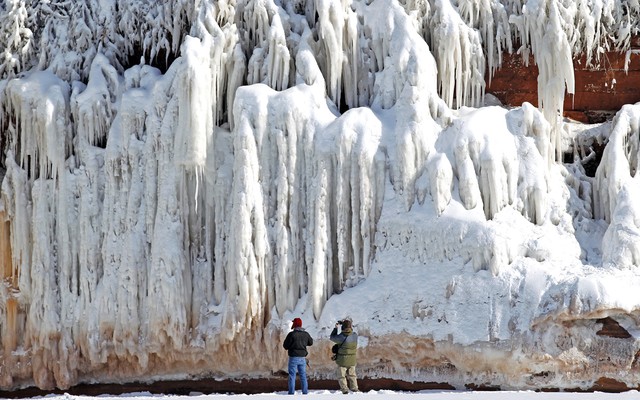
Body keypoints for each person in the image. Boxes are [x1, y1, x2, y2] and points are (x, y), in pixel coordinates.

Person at [283, 317, 313, 395]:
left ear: (295, 324)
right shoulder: (305, 334)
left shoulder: (291, 334)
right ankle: (305, 392)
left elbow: (285, 346)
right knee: (303, 375)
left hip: (293, 358)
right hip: (302, 358)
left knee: (292, 376)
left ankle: (291, 393)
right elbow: (311, 342)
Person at [330, 319, 359, 394]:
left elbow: (332, 337)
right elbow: (350, 332)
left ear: (343, 328)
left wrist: (336, 328)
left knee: (342, 376)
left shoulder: (341, 337)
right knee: (352, 375)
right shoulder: (355, 335)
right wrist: (346, 324)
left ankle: (345, 390)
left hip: (342, 360)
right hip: (352, 360)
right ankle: (354, 388)